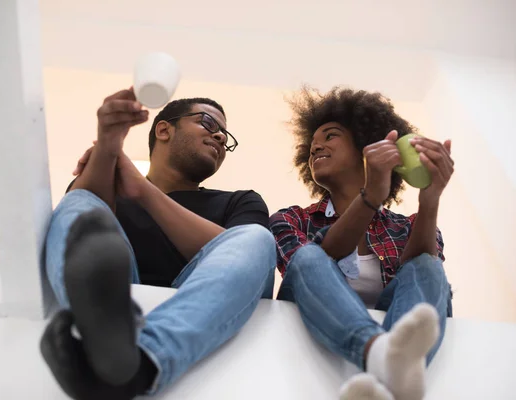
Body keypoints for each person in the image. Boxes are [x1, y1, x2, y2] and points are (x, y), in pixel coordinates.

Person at [40, 87, 276, 399]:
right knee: (80, 202)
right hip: (122, 301)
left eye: (226, 136)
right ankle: (101, 334)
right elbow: (83, 205)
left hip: (203, 302)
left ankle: (144, 360)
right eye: (209, 124)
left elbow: (246, 258)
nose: (221, 138)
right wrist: (109, 143)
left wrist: (143, 191)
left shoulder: (240, 202)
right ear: (164, 129)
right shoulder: (110, 190)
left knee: (257, 238)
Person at [270, 87, 454, 400]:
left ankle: (393, 374)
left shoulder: (407, 225)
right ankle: (380, 356)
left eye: (329, 136)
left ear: (366, 146)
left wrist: (430, 198)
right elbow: (313, 264)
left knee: (427, 265)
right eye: (312, 145)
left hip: (388, 331)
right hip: (312, 317)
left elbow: (422, 275)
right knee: (309, 257)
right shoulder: (291, 219)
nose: (316, 148)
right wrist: (371, 195)